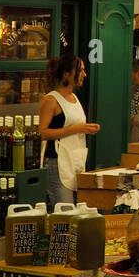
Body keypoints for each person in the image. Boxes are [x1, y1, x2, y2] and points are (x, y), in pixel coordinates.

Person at [38, 54, 99, 208]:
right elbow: (43, 133)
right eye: (81, 71)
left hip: (75, 161)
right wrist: (75, 129)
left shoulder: (74, 97)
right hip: (57, 162)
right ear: (66, 73)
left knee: (75, 212)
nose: (84, 74)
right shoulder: (51, 100)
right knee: (65, 212)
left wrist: (86, 129)